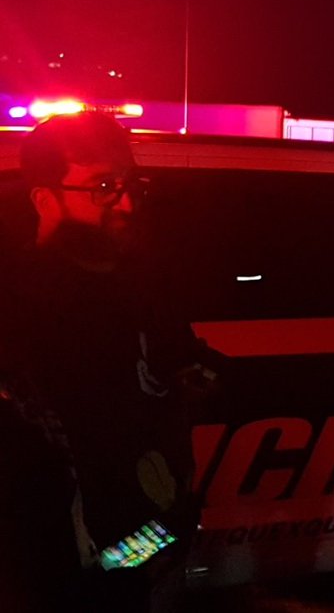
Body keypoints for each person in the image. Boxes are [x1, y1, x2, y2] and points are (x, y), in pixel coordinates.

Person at [0, 111, 221, 611]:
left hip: (157, 535)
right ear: (45, 199)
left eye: (130, 185)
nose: (126, 203)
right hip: (64, 569)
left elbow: (178, 358)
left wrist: (201, 374)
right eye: (103, 187)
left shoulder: (144, 285)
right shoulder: (17, 311)